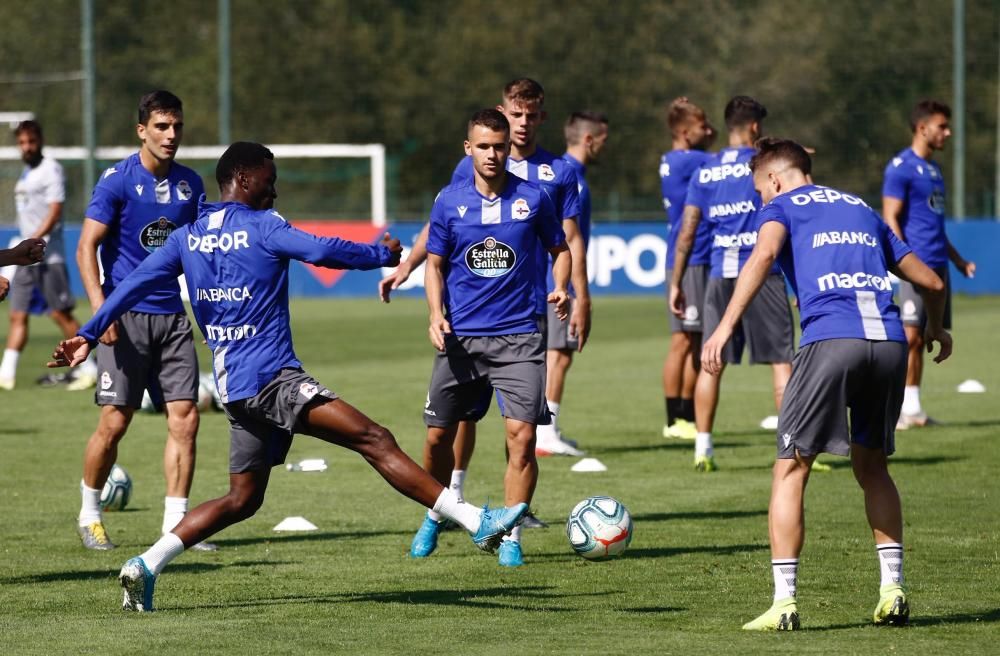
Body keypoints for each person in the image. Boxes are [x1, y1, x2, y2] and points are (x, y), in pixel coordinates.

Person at [49, 141, 529, 612]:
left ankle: (146, 564)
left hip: (235, 387)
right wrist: (381, 256)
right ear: (243, 178)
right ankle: (475, 520)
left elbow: (129, 284)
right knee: (374, 438)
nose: (274, 190)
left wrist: (88, 334)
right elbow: (321, 250)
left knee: (243, 500)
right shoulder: (263, 226)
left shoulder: (187, 235)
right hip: (272, 379)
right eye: (269, 179)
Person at [702, 138, 951, 630]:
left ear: (774, 179)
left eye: (759, 190)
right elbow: (933, 282)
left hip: (831, 342)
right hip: (889, 343)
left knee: (791, 470)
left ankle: (784, 604)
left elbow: (762, 257)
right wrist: (938, 326)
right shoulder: (859, 206)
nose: (759, 201)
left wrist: (726, 325)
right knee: (873, 467)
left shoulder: (782, 207)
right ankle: (893, 589)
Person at [409, 109, 571, 568]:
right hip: (460, 340)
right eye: (483, 146)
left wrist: (561, 285)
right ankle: (435, 513)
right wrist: (435, 314)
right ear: (469, 149)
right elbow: (435, 265)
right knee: (438, 438)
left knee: (521, 439)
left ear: (508, 149)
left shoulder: (534, 199)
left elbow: (561, 250)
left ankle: (511, 535)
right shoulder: (448, 201)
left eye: (499, 146)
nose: (493, 154)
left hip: (520, 336)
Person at [74, 91, 211, 551]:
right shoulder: (116, 181)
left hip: (172, 318)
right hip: (124, 317)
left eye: (176, 127)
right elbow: (85, 247)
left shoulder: (192, 186)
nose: (171, 136)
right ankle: (89, 514)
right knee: (115, 422)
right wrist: (100, 311)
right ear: (142, 130)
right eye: (161, 127)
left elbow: (201, 256)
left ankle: (178, 527)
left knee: (185, 419)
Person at [670, 96, 795, 471]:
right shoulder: (765, 168)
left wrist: (676, 282)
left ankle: (702, 449)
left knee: (712, 362)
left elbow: (688, 232)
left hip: (718, 278)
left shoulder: (704, 171)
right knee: (781, 362)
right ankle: (793, 448)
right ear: (755, 127)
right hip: (762, 275)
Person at [882, 99, 975, 429]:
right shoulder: (900, 167)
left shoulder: (934, 171)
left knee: (925, 338)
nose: (948, 133)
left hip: (939, 266)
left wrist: (958, 260)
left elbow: (935, 225)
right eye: (942, 127)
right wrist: (901, 259)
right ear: (922, 128)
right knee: (909, 337)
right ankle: (895, 411)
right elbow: (890, 216)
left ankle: (914, 410)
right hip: (915, 265)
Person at [0, 120, 98, 391]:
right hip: (23, 257)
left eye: (30, 142)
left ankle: (89, 369)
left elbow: (55, 210)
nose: (26, 147)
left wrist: (34, 240)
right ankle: (5, 374)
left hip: (44, 255)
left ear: (40, 141)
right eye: (21, 143)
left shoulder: (50, 169)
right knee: (17, 314)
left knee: (60, 314)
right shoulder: (27, 173)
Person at [534, 110, 608, 450]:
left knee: (555, 352)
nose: (605, 147)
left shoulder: (557, 172)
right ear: (589, 139)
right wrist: (578, 292)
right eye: (603, 139)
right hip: (557, 279)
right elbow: (569, 238)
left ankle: (545, 430)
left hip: (549, 278)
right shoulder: (570, 178)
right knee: (559, 353)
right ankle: (545, 432)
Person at [659, 98, 715, 440]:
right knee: (686, 340)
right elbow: (733, 158)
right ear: (684, 132)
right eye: (701, 126)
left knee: (690, 339)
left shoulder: (674, 159)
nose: (708, 131)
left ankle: (682, 417)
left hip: (691, 258)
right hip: (692, 257)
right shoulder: (692, 159)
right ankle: (677, 418)